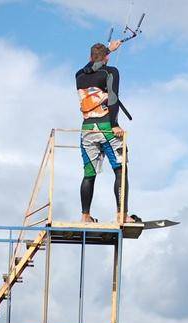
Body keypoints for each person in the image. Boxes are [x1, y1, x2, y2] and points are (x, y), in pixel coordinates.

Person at [75, 41, 140, 224]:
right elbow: (113, 98)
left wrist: (107, 51)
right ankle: (122, 215)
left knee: (89, 174)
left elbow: (90, 68)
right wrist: (114, 125)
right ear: (107, 59)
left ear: (89, 58)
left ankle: (85, 216)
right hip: (106, 127)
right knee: (120, 170)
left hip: (87, 129)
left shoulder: (79, 75)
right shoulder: (111, 72)